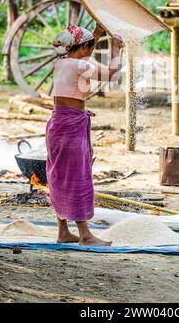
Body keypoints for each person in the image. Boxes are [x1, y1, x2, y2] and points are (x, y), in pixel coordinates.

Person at [45, 23, 123, 246]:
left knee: (59, 176)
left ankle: (63, 232)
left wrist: (96, 35)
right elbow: (113, 75)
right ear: (85, 47)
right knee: (76, 177)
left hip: (59, 124)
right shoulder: (79, 65)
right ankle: (86, 235)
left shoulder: (63, 63)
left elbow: (83, 56)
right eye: (90, 46)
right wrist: (116, 48)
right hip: (70, 127)